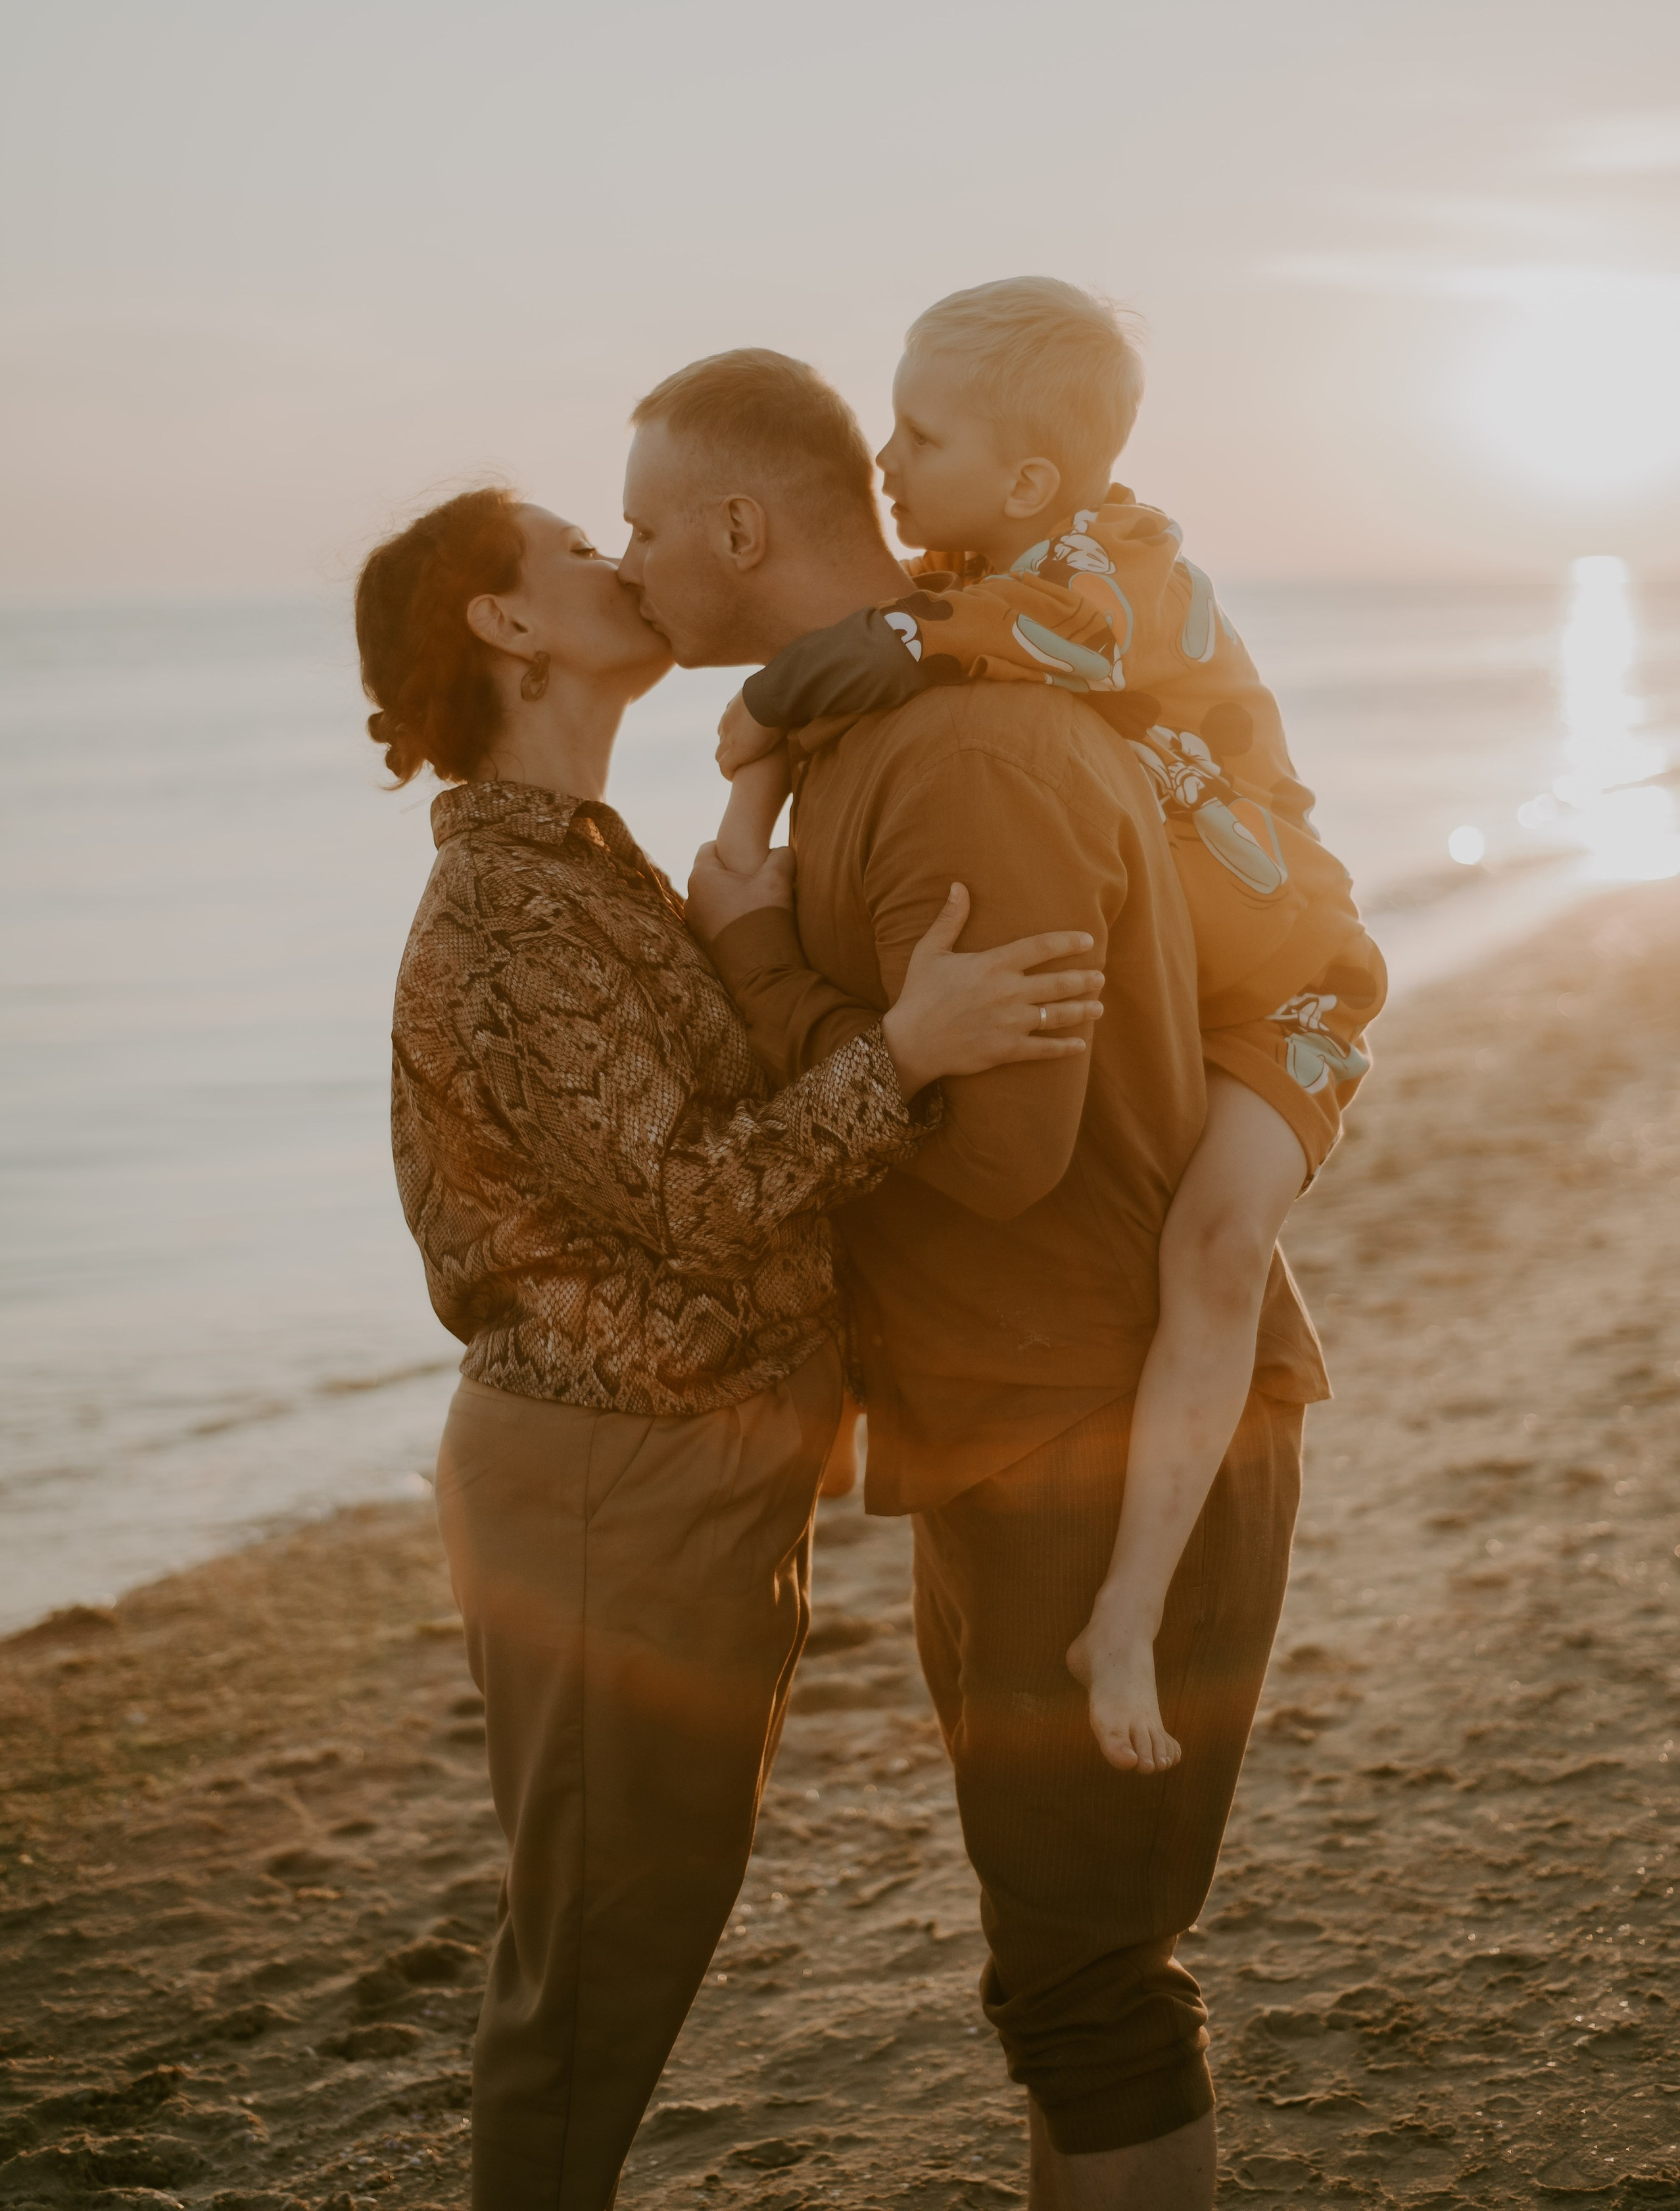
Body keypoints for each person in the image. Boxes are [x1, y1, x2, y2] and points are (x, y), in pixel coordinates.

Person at [620, 348, 1332, 2211]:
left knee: (1090, 1989)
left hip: (1097, 1435)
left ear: (738, 527)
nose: (627, 565)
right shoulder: (879, 722)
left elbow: (1003, 1152)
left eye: (641, 527)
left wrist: (756, 959)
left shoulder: (967, 751)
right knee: (1058, 1978)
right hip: (1014, 1420)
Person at [354, 485, 1107, 2211]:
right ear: (507, 626)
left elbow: (704, 1124)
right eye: (575, 545)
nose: (620, 560)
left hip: (684, 1471)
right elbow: (701, 1196)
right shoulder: (507, 909)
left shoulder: (582, 862)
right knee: (594, 1972)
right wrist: (909, 1049)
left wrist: (759, 788)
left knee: (640, 1925)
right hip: (611, 1487)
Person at [708, 276, 1386, 1776]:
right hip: (1198, 981)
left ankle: (1128, 1611)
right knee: (1187, 1241)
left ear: (1026, 479)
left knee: (1214, 1251)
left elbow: (935, 645)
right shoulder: (973, 571)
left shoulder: (1115, 577)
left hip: (1292, 989)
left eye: (917, 435)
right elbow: (897, 636)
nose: (884, 461)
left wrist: (784, 692)